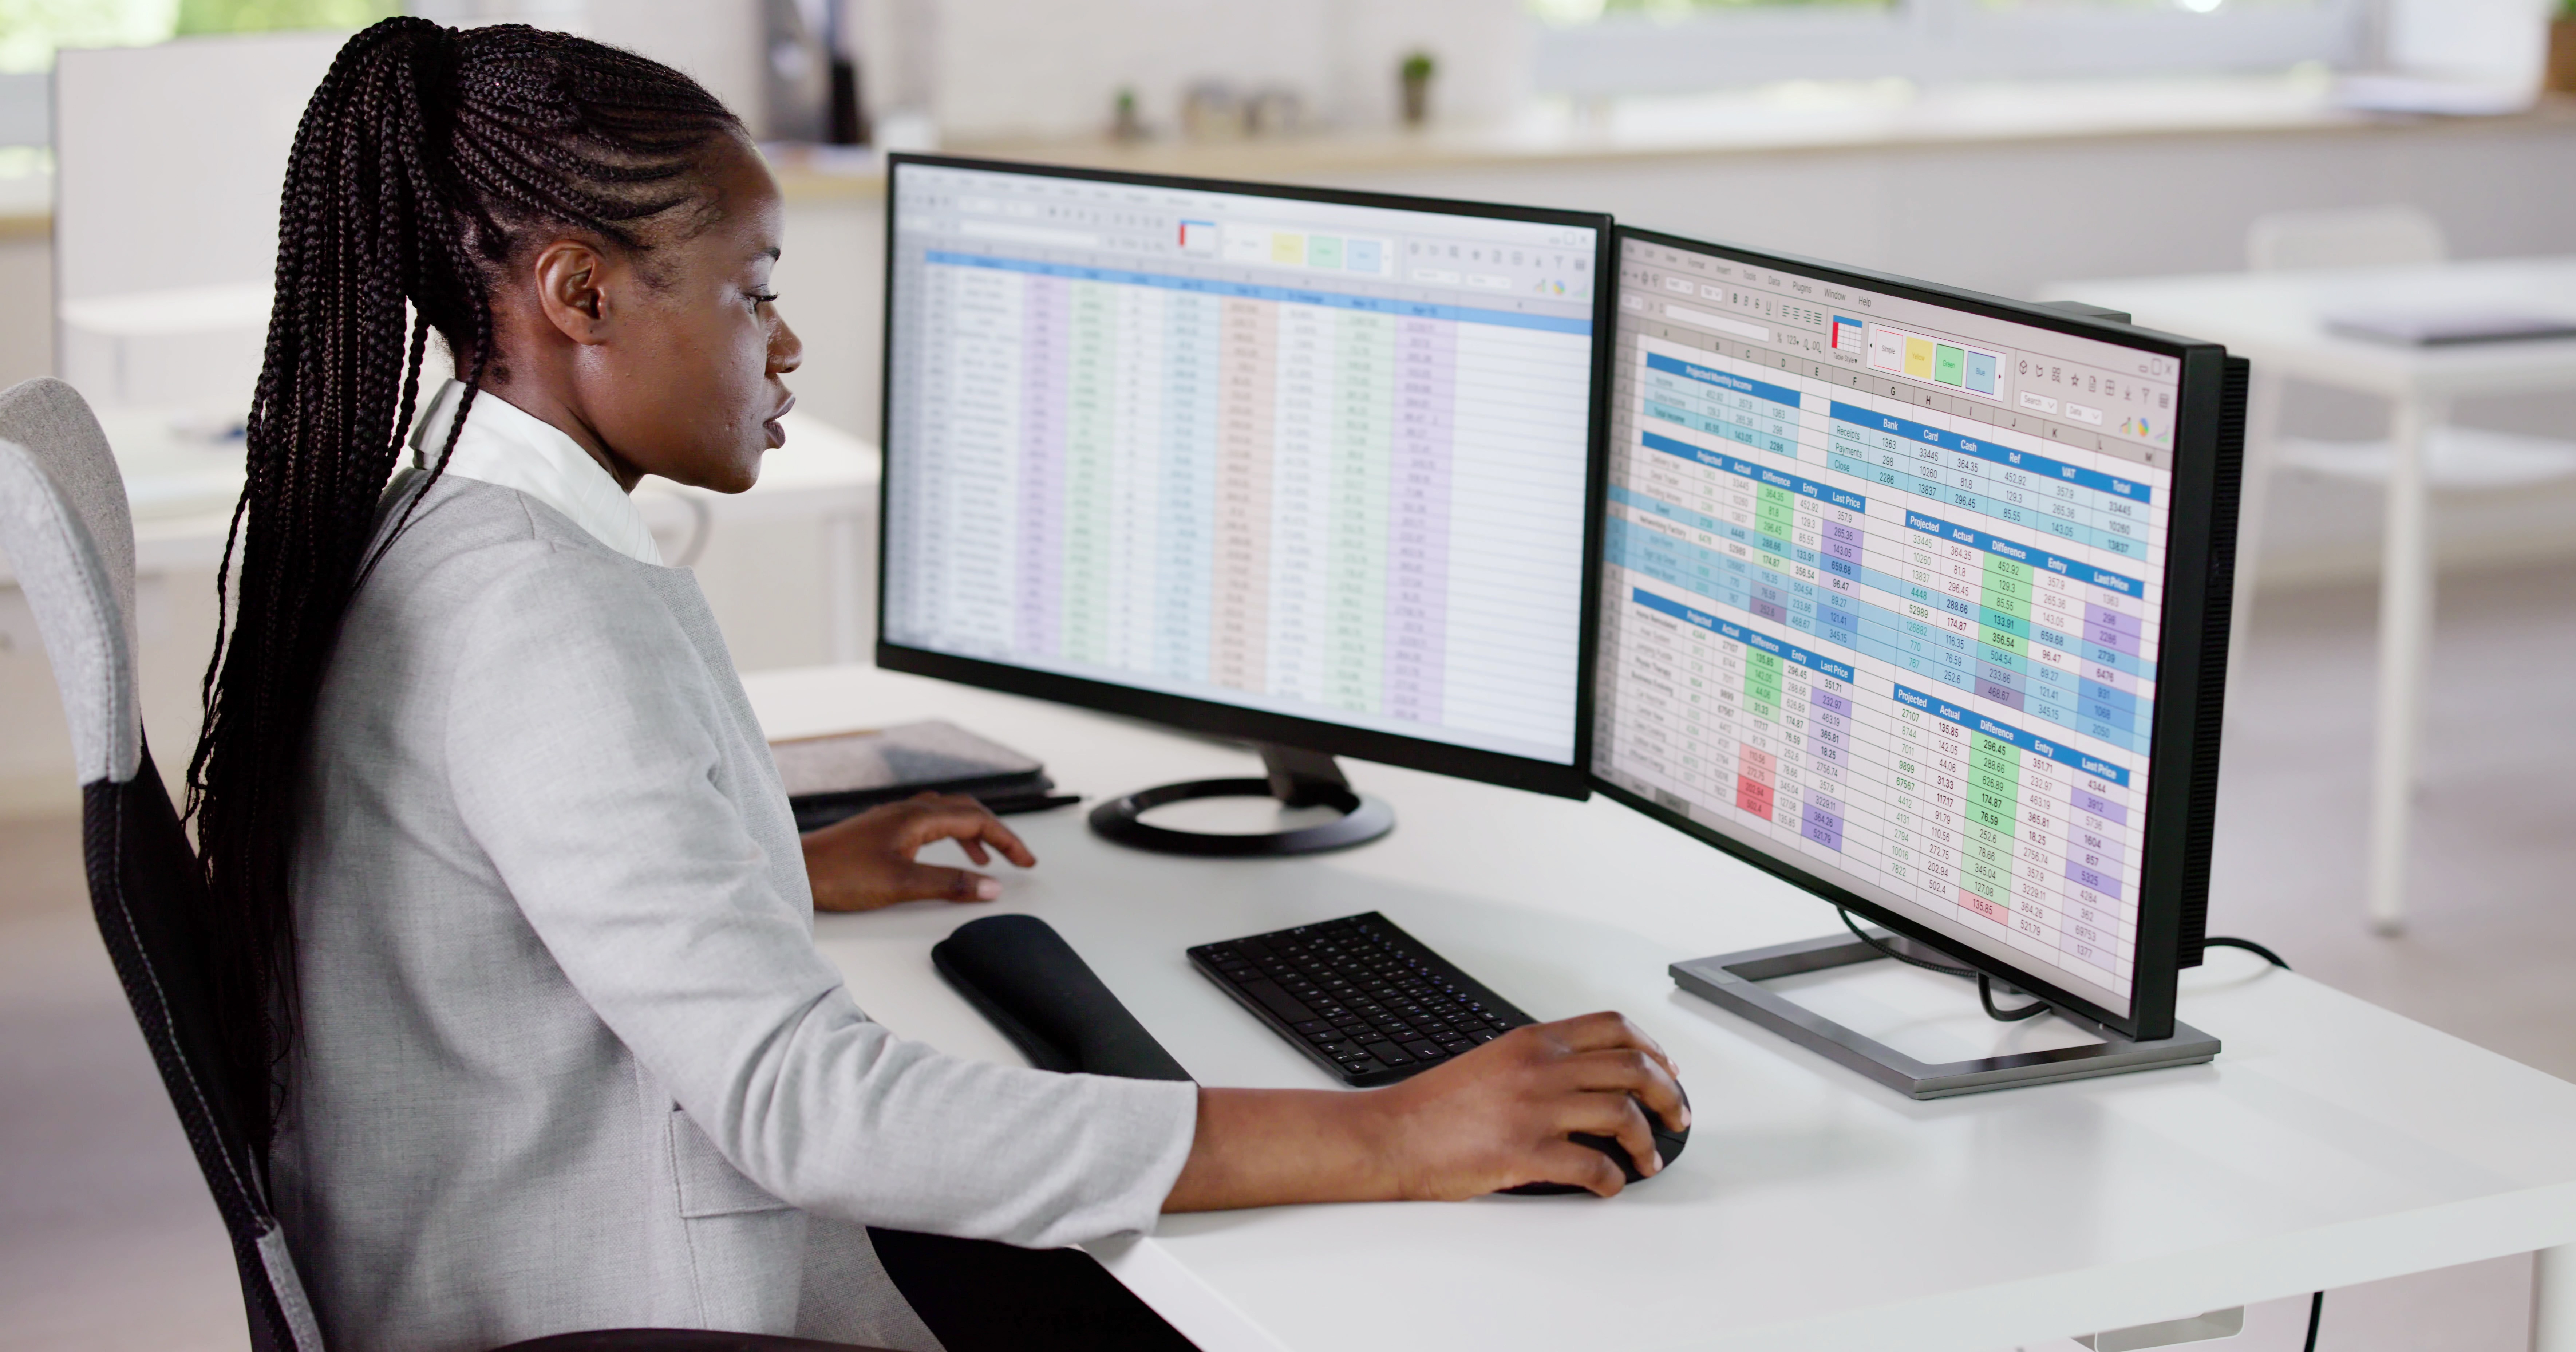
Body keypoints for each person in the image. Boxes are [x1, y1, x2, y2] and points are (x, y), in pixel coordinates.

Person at [182, 19, 1688, 1352]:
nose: (783, 343)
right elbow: (805, 1106)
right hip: (604, 1301)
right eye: (748, 289)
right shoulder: (542, 615)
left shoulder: (437, 509)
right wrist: (1393, 1129)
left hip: (498, 1246)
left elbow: (502, 861)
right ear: (580, 292)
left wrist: (771, 864)